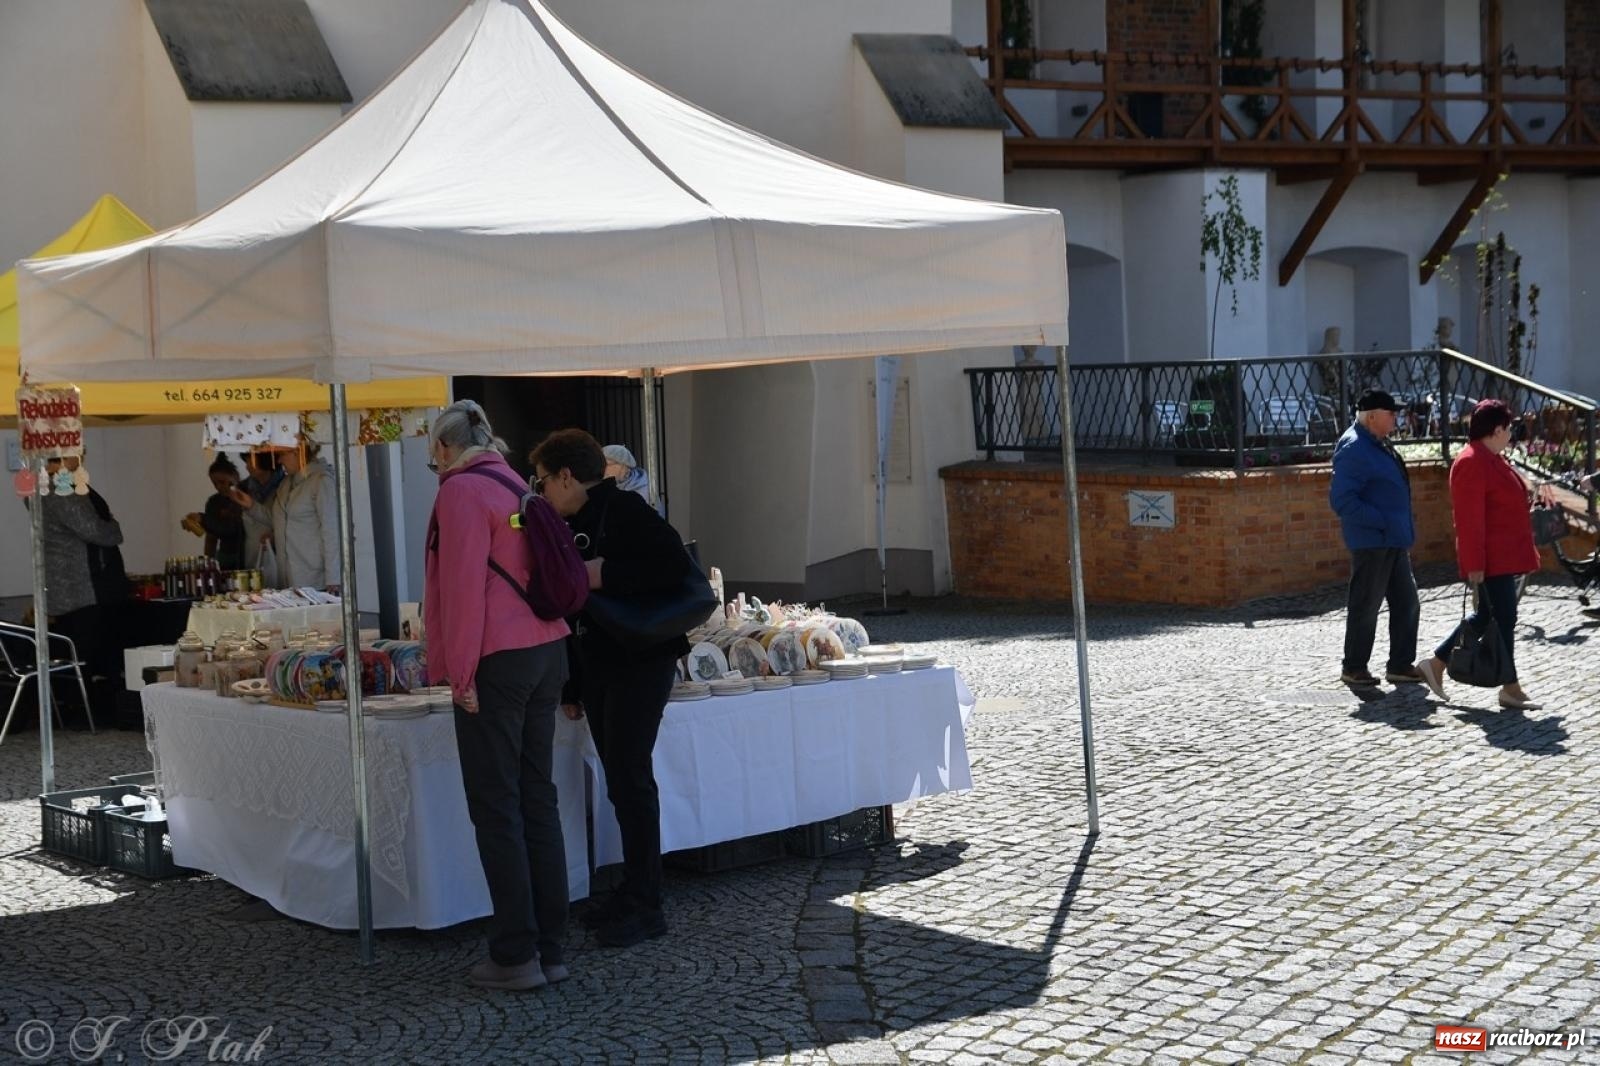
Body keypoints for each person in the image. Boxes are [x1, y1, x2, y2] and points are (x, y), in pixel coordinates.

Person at [425, 400, 572, 991]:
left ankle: (514, 955)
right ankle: (550, 947)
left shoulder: (459, 492)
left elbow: (461, 593)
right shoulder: (514, 482)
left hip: (497, 660)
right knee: (537, 798)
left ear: (443, 448)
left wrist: (458, 678)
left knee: (497, 806)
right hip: (546, 651)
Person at [532, 428, 690, 949]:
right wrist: (573, 686)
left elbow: (674, 568)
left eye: (544, 481)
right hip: (602, 666)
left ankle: (648, 903)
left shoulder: (626, 511)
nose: (541, 492)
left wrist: (604, 573)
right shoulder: (574, 519)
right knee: (621, 782)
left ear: (566, 476)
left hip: (640, 663)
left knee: (632, 780)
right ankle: (633, 888)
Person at [1416, 400, 1545, 710]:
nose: (1511, 434)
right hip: (1491, 560)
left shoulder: (1491, 458)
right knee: (1504, 618)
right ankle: (1510, 687)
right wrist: (1474, 564)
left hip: (1504, 556)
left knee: (1487, 616)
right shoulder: (1472, 461)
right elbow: (1468, 520)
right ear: (1497, 430)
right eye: (1509, 428)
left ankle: (1435, 664)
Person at [1328, 389, 1423, 688]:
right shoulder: (1355, 447)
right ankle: (1354, 667)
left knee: (1407, 602)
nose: (1396, 418)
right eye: (1390, 413)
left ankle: (1400, 664)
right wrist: (1381, 521)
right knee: (1366, 605)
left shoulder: (1377, 443)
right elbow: (1342, 500)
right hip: (1372, 542)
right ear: (1371, 416)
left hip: (1391, 539)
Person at [28, 458, 124, 726]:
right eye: (76, 450)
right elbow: (96, 530)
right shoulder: (60, 488)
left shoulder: (37, 484)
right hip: (82, 585)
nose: (81, 456)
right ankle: (91, 713)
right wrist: (114, 526)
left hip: (64, 585)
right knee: (90, 650)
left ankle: (79, 709)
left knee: (78, 651)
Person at [230, 442, 339, 590]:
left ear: (297, 452)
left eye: (281, 455)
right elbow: (276, 519)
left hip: (315, 581)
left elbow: (333, 531)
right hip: (287, 581)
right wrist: (251, 505)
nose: (279, 461)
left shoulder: (322, 481)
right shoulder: (285, 484)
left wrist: (334, 577)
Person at [185, 456, 246, 570]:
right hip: (225, 555)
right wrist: (208, 562)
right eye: (214, 483)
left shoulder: (245, 497)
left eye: (222, 482)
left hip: (246, 554)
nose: (219, 487)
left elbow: (232, 528)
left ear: (235, 477)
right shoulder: (213, 502)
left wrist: (203, 519)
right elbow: (211, 537)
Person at [602, 444, 663, 516]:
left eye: (606, 464)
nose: (602, 469)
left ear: (622, 465)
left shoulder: (643, 491)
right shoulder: (606, 486)